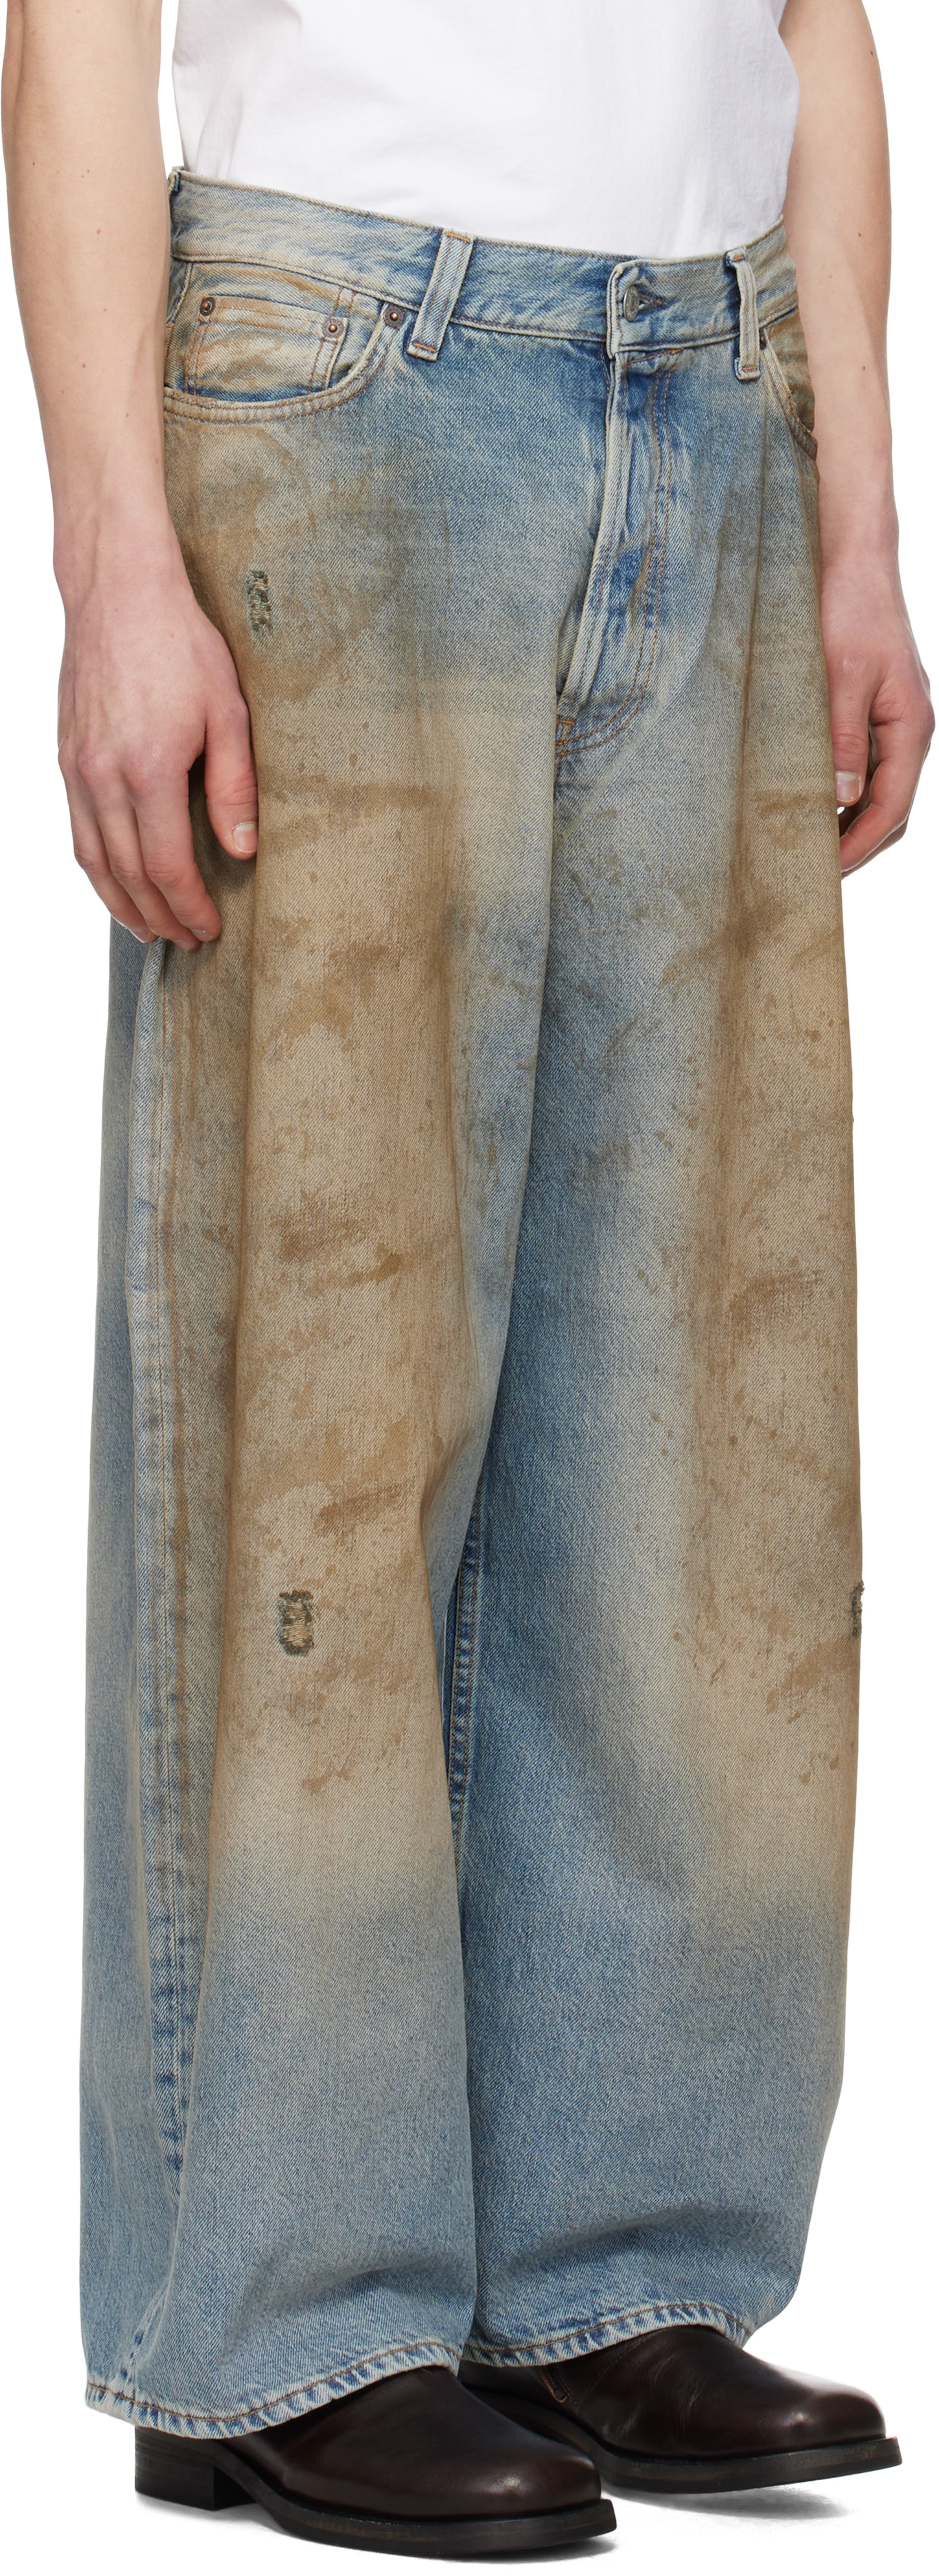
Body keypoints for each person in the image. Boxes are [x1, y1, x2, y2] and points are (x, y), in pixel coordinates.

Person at [3, 0, 932, 2551]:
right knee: (323, 1374)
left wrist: (859, 512)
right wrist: (109, 554)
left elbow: (815, 24)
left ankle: (605, 2265)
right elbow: (76, 25)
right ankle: (280, 2317)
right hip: (345, 365)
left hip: (713, 390)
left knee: (686, 1414)